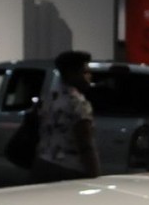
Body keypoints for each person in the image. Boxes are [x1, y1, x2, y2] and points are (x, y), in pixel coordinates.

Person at [29, 50, 99, 181]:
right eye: (85, 72)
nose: (90, 76)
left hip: (42, 164)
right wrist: (94, 175)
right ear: (71, 73)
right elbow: (85, 144)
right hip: (69, 170)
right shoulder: (78, 103)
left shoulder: (48, 99)